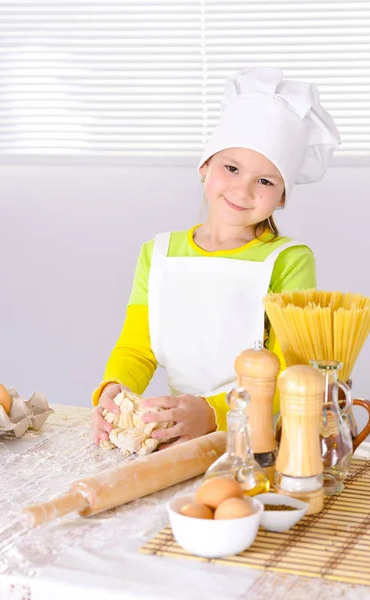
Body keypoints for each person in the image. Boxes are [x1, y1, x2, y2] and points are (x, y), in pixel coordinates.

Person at [91, 66, 340, 448]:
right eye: (232, 168)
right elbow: (138, 348)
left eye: (265, 181)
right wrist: (115, 390)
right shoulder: (158, 253)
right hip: (184, 436)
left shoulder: (288, 260)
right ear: (204, 167)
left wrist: (214, 412)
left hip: (260, 437)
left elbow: (291, 371)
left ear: (284, 195)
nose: (243, 189)